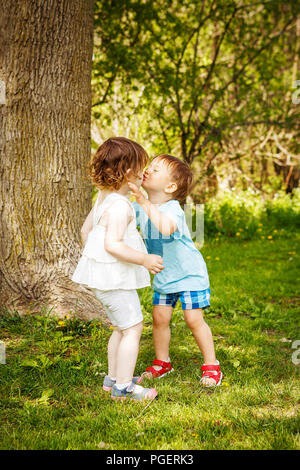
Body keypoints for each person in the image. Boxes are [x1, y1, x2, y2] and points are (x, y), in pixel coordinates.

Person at [72, 137, 164, 401]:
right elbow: (113, 245)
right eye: (140, 167)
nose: (144, 172)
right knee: (133, 328)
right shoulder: (121, 206)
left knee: (120, 327)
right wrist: (143, 259)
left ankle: (113, 378)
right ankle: (123, 388)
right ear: (126, 172)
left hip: (104, 278)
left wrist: (96, 263)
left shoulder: (104, 198)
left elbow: (85, 231)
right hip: (113, 279)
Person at [128, 154, 223, 387]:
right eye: (148, 167)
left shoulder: (172, 209)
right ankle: (162, 362)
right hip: (165, 275)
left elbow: (167, 228)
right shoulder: (138, 206)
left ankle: (212, 366)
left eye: (156, 170)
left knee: (193, 319)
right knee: (159, 318)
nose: (148, 170)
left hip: (189, 274)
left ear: (170, 186)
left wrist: (143, 202)